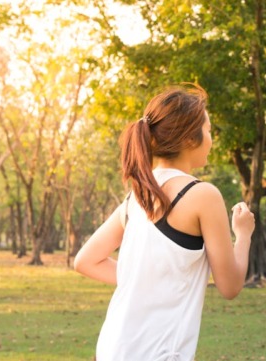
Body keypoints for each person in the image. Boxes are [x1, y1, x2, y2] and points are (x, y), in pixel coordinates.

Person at [73, 84, 255, 361]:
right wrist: (243, 236)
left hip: (111, 348)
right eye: (208, 131)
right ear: (190, 140)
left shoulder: (137, 196)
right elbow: (230, 286)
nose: (211, 140)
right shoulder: (202, 195)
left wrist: (144, 280)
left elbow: (86, 260)